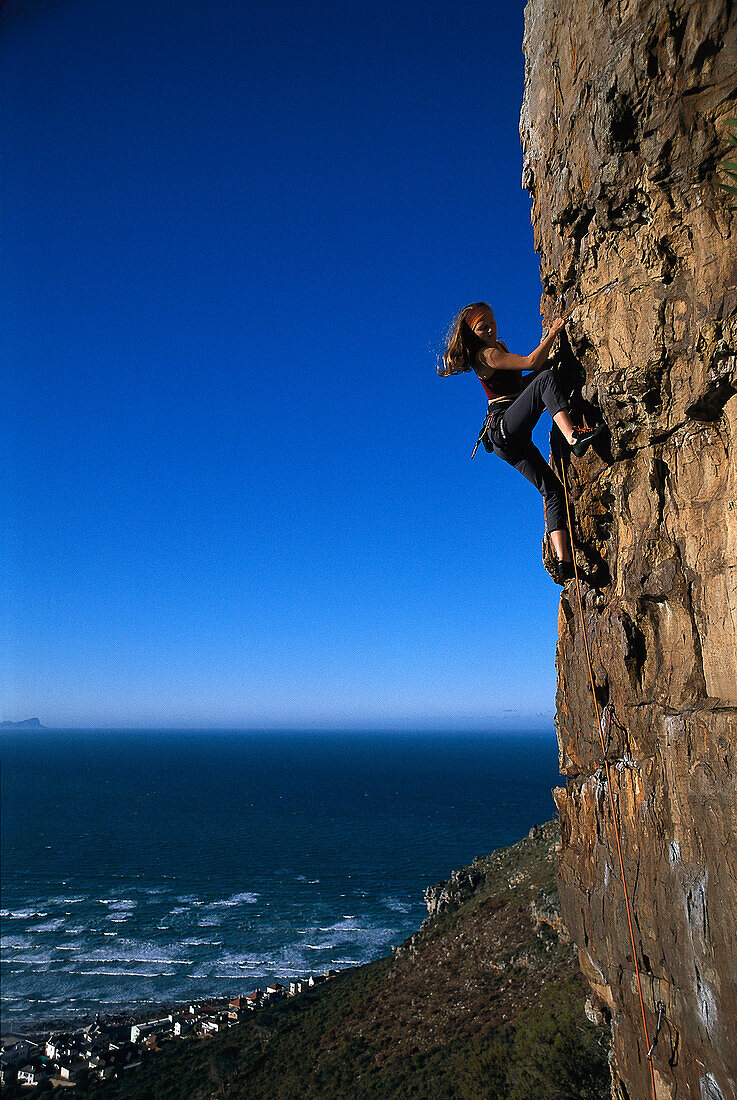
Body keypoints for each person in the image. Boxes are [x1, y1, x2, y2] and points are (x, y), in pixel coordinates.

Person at [438, 301, 603, 584]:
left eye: (491, 322)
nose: (490, 329)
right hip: (503, 427)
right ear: (471, 334)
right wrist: (554, 332)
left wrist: (544, 370)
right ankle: (573, 436)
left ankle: (564, 561)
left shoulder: (497, 348)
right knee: (544, 378)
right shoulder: (487, 354)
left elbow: (520, 384)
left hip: (508, 439)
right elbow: (532, 363)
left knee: (552, 489)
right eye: (482, 327)